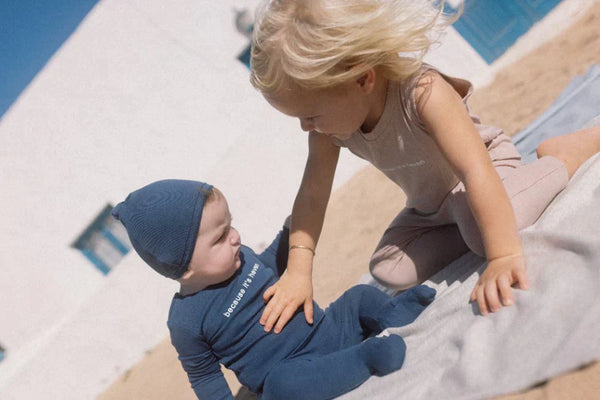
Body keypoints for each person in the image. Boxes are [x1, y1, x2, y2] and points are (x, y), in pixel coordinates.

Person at [248, 0, 600, 331]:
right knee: (388, 267)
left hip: (485, 170)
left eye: (310, 115)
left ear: (362, 78)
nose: (305, 127)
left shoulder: (422, 91)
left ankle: (563, 156)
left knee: (489, 237)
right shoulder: (328, 131)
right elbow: (312, 196)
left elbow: (475, 170)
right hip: (431, 208)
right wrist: (298, 271)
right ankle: (473, 224)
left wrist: (502, 255)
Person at [111, 179, 436, 400]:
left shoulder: (241, 257)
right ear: (184, 266)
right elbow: (205, 377)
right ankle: (367, 358)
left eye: (230, 225)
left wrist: (287, 232)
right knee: (281, 388)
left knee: (358, 296)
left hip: (328, 328)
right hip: (293, 369)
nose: (235, 236)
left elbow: (270, 265)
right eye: (220, 236)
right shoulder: (186, 321)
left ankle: (395, 313)